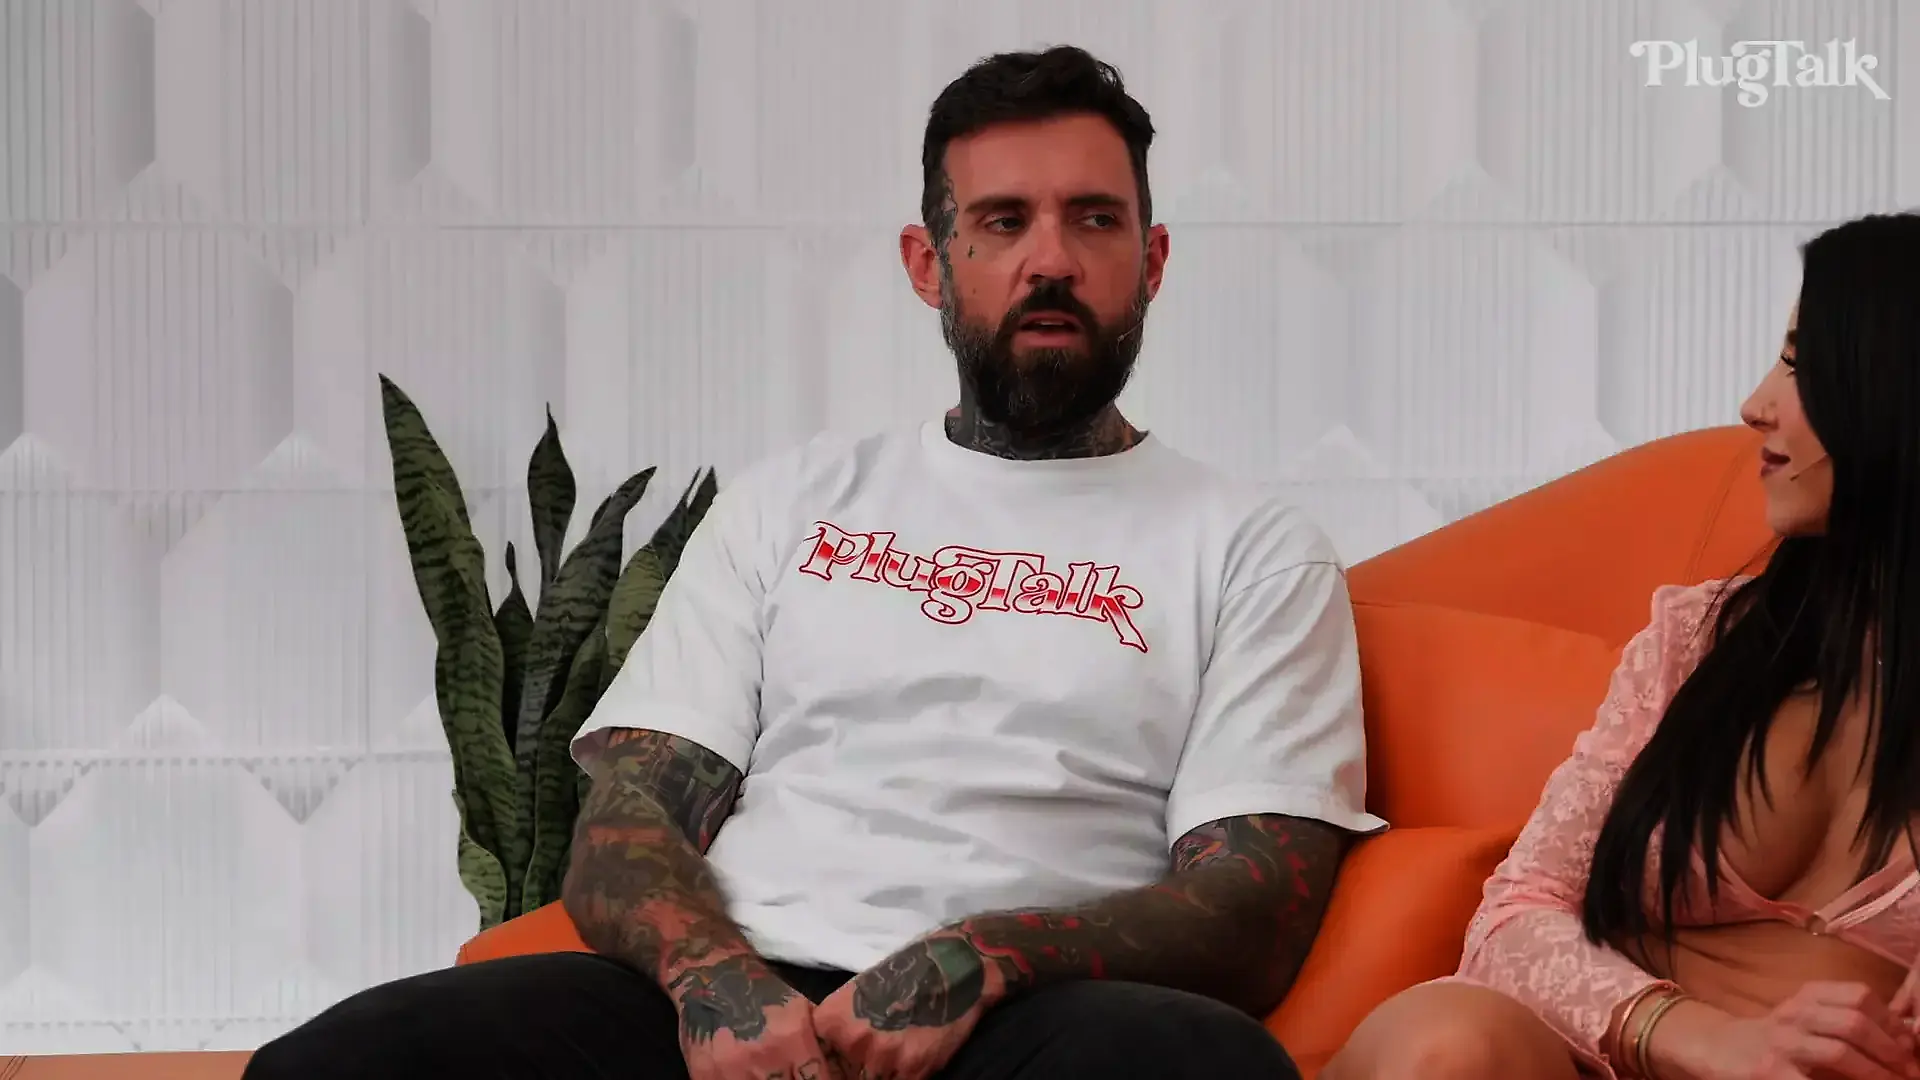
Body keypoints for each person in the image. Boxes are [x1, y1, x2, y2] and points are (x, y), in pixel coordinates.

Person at [243, 44, 1383, 1080]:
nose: (1052, 259)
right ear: (928, 265)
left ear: (1152, 258)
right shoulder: (794, 502)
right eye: (1002, 222)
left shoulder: (1252, 548)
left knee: (1201, 1066)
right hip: (733, 991)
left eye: (1095, 220)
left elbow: (1253, 910)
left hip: (1038, 1012)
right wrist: (716, 985)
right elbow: (628, 819)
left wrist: (985, 955)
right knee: (336, 1067)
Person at [1324, 210, 1920, 1080]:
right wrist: (1706, 1037)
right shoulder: (1700, 640)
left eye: (1801, 365)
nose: (1756, 405)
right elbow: (1514, 918)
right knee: (1448, 1044)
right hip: (1591, 1058)